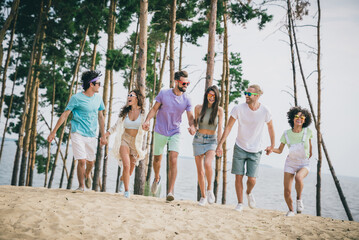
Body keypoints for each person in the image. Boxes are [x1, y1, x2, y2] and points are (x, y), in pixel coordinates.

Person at [216, 84, 275, 212]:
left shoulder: (265, 111)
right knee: (238, 176)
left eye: (249, 94)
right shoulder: (238, 108)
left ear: (257, 96)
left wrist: (272, 145)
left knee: (252, 179)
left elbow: (270, 127)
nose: (246, 96)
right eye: (245, 93)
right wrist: (220, 144)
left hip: (256, 149)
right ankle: (240, 203)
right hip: (240, 146)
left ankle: (248, 192)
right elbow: (229, 127)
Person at [47, 70, 106, 191]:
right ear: (91, 84)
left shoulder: (98, 98)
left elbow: (101, 117)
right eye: (98, 83)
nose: (100, 85)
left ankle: (87, 174)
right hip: (77, 132)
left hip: (91, 134)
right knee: (82, 161)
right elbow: (65, 115)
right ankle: (81, 186)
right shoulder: (76, 98)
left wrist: (103, 135)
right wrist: (53, 132)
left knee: (90, 162)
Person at [142, 70, 196, 201]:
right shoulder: (164, 93)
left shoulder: (187, 98)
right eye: (184, 83)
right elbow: (154, 109)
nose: (186, 85)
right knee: (157, 160)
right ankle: (157, 177)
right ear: (176, 82)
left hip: (175, 132)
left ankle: (170, 191)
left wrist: (193, 126)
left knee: (173, 159)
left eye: (187, 83)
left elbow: (190, 117)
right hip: (160, 130)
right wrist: (147, 120)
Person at [102, 89, 147, 199]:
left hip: (135, 143)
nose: (129, 97)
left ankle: (123, 179)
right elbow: (115, 127)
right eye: (128, 95)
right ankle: (127, 191)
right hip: (124, 139)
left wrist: (147, 127)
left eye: (131, 95)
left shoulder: (143, 113)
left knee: (130, 169)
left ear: (137, 98)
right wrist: (105, 135)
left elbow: (146, 127)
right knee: (126, 165)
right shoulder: (125, 113)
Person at [272, 106, 313, 217]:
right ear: (292, 118)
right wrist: (271, 149)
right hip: (290, 163)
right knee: (287, 191)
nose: (299, 119)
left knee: (298, 178)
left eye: (302, 117)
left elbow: (310, 148)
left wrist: (307, 157)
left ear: (305, 120)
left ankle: (299, 199)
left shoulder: (308, 132)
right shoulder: (286, 134)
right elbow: (280, 150)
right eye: (296, 116)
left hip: (304, 163)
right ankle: (291, 210)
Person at [193, 86, 223, 206]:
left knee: (207, 164)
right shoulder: (198, 108)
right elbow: (195, 124)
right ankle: (203, 196)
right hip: (198, 139)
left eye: (214, 96)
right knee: (200, 171)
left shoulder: (219, 110)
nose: (211, 97)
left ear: (216, 97)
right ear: (206, 95)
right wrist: (192, 127)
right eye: (209, 95)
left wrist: (220, 145)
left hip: (212, 140)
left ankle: (210, 189)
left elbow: (220, 128)